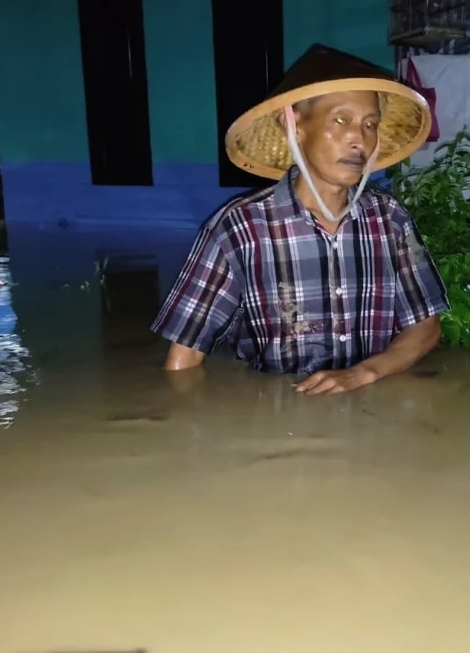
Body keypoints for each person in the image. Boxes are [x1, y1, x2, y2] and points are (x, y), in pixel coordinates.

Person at [152, 44, 449, 395]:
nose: (359, 139)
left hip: (371, 416)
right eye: (341, 120)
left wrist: (364, 373)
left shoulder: (390, 220)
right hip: (276, 421)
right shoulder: (239, 228)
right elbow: (183, 360)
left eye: (370, 124)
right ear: (294, 123)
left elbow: (426, 328)